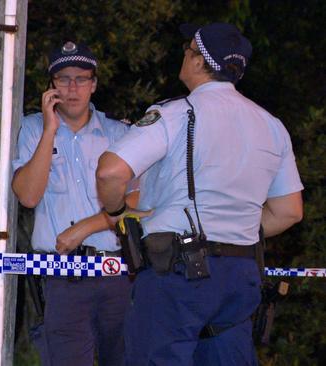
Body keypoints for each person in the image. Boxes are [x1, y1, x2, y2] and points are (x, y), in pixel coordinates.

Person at [96, 23, 304, 365]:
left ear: (197, 61)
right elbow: (289, 212)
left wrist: (117, 211)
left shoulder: (175, 114)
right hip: (241, 274)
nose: (184, 54)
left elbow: (109, 171)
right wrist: (236, 228)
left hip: (178, 274)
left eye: (188, 48)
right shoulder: (271, 125)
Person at [12, 41, 138, 366]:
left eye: (81, 79)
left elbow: (140, 199)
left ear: (94, 84)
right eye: (63, 78)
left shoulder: (119, 133)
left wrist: (86, 227)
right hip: (61, 274)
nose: (72, 87)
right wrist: (49, 131)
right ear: (52, 85)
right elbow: (27, 196)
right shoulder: (31, 130)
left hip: (117, 272)